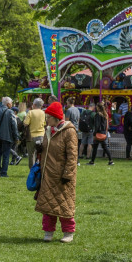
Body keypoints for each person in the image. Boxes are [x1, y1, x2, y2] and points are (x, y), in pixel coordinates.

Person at [35, 101, 78, 243]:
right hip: (48, 174)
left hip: (62, 176)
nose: (46, 120)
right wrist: (41, 149)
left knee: (64, 204)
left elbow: (72, 156)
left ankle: (68, 233)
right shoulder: (49, 131)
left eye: (48, 117)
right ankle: (48, 232)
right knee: (48, 205)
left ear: (56, 118)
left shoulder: (69, 131)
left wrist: (68, 174)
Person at [0, 97, 19, 177]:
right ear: (8, 104)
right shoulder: (10, 112)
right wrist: (16, 137)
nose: (12, 105)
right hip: (7, 136)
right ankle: (4, 172)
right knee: (6, 154)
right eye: (11, 103)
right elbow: (14, 125)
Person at [24, 98, 46, 168]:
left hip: (31, 136)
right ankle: (40, 169)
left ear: (34, 105)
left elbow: (25, 123)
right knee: (40, 154)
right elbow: (44, 123)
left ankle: (32, 171)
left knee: (31, 155)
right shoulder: (43, 113)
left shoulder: (30, 112)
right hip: (41, 135)